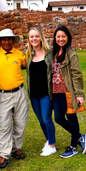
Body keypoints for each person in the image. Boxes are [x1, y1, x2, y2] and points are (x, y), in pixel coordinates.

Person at [0, 29, 29, 169]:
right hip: (3, 94)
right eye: (4, 39)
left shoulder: (19, 54)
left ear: (13, 40)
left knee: (21, 122)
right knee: (4, 125)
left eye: (9, 39)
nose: (6, 41)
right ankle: (4, 154)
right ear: (0, 41)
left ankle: (15, 148)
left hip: (20, 92)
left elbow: (28, 64)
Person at [51, 26, 86, 158]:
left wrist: (79, 94)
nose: (60, 39)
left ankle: (73, 147)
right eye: (58, 36)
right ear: (55, 38)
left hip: (67, 91)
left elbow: (77, 74)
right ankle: (79, 137)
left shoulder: (71, 54)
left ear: (68, 38)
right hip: (56, 91)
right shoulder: (54, 53)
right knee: (59, 118)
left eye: (63, 36)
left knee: (71, 118)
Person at [25, 27, 56, 156]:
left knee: (47, 118)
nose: (34, 39)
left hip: (46, 92)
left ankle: (52, 145)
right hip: (34, 93)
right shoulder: (28, 55)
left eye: (36, 36)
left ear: (41, 37)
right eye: (31, 37)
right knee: (40, 120)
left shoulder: (49, 52)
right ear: (29, 39)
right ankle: (48, 140)